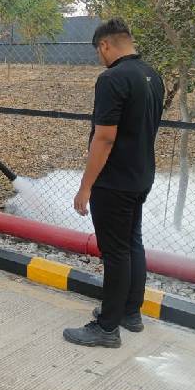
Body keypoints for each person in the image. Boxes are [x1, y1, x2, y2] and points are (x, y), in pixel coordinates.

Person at [63, 18, 164, 348]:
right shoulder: (152, 75)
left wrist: (85, 186)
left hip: (115, 181)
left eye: (98, 52)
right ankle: (129, 314)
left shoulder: (112, 79)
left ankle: (107, 328)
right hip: (141, 174)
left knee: (116, 252)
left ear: (105, 45)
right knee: (132, 242)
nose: (99, 58)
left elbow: (104, 138)